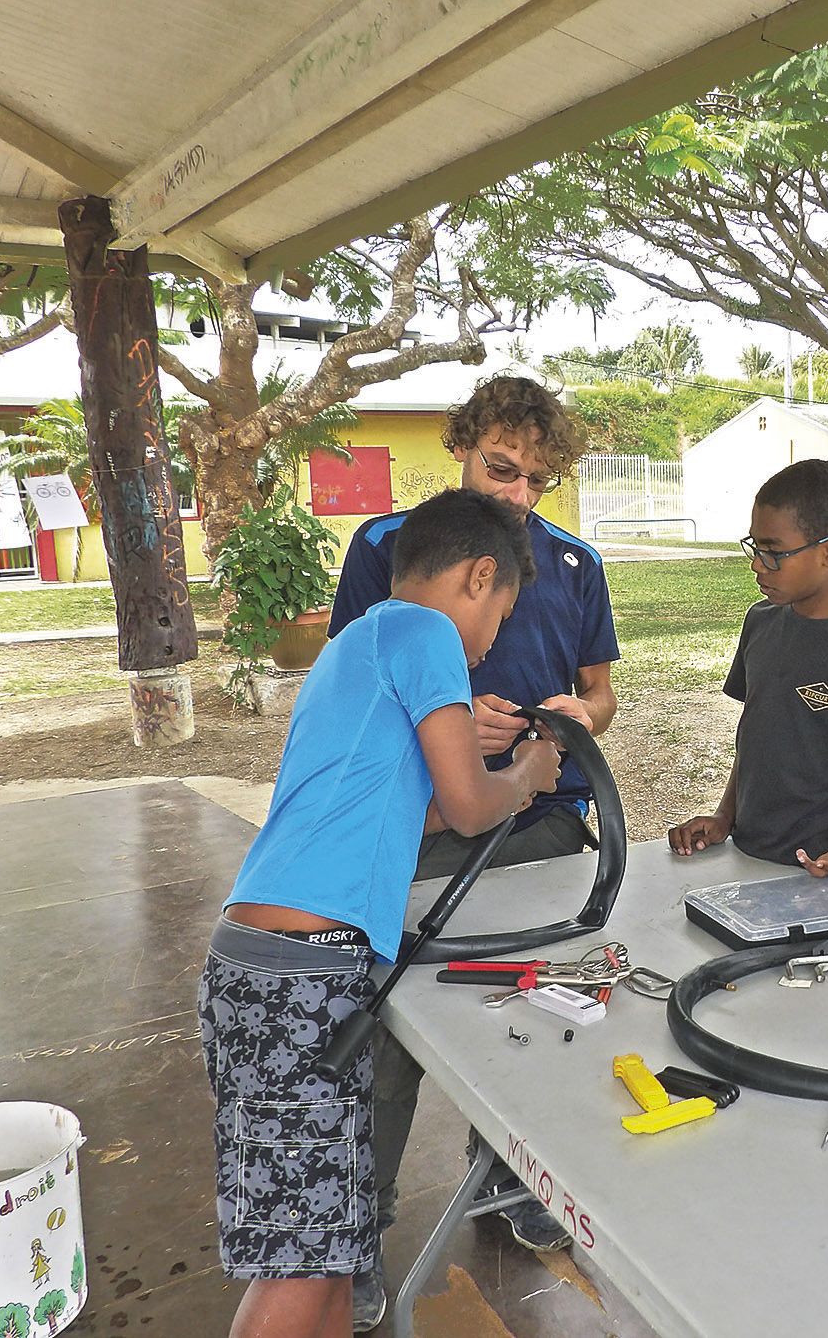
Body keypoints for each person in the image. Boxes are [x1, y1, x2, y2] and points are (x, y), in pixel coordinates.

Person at [198, 490, 561, 1338]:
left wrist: (492, 775)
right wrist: (532, 772)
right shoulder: (425, 632)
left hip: (271, 963)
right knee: (301, 1264)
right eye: (500, 616)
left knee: (326, 1245)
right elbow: (472, 807)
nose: (491, 642)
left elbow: (420, 813)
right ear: (478, 576)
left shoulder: (355, 642)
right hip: (299, 972)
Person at [328, 375, 612, 1318]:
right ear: (461, 446)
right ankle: (356, 1230)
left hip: (543, 828)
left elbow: (600, 695)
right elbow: (359, 693)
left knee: (537, 1010)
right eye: (500, 468)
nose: (516, 494)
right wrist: (457, 735)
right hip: (431, 830)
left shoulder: (573, 565)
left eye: (537, 480)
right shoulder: (388, 548)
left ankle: (514, 1184)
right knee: (396, 1022)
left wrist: (572, 719)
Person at [667, 459, 828, 875]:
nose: (757, 564)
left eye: (774, 552)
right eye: (755, 547)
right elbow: (758, 739)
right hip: (748, 855)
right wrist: (724, 817)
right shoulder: (761, 621)